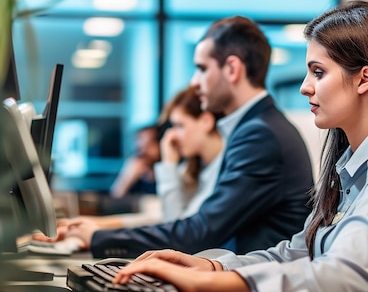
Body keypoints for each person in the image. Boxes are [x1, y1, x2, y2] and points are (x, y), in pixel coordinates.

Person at [112, 1, 368, 292]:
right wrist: (213, 268)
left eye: (319, 72)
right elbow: (299, 252)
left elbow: (340, 276)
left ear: (363, 79)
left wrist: (205, 285)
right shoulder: (352, 167)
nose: (304, 86)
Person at [63, 15, 314, 258]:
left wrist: (99, 238)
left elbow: (200, 232)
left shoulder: (259, 135)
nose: (194, 82)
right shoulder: (254, 127)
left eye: (202, 68)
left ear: (232, 69)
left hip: (255, 290)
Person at [44, 86, 224, 236]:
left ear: (206, 121)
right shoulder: (195, 169)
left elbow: (174, 226)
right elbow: (159, 218)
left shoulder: (221, 170)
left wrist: (168, 164)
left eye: (180, 126)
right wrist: (96, 224)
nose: (172, 136)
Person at [109, 124, 161, 198]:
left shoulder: (171, 172)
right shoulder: (135, 177)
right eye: (139, 148)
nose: (143, 152)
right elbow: (114, 199)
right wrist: (125, 179)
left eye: (148, 145)